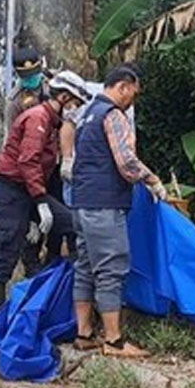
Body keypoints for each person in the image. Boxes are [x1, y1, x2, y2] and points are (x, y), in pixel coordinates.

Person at [69, 65, 167, 358]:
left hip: (81, 202)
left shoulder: (85, 114)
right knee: (111, 268)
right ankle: (114, 340)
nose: (132, 101)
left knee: (85, 267)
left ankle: (84, 334)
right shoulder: (113, 115)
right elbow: (126, 162)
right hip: (104, 204)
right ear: (123, 86)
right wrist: (152, 179)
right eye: (133, 94)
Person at [0, 77, 82, 314]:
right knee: (7, 250)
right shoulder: (38, 118)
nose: (76, 110)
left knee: (70, 224)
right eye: (76, 103)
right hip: (12, 190)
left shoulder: (52, 122)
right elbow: (28, 161)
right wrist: (40, 202)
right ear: (64, 98)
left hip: (31, 190)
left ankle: (48, 295)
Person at [6, 46, 47, 125]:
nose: (31, 78)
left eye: (34, 73)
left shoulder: (53, 84)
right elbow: (13, 134)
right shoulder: (15, 101)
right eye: (27, 76)